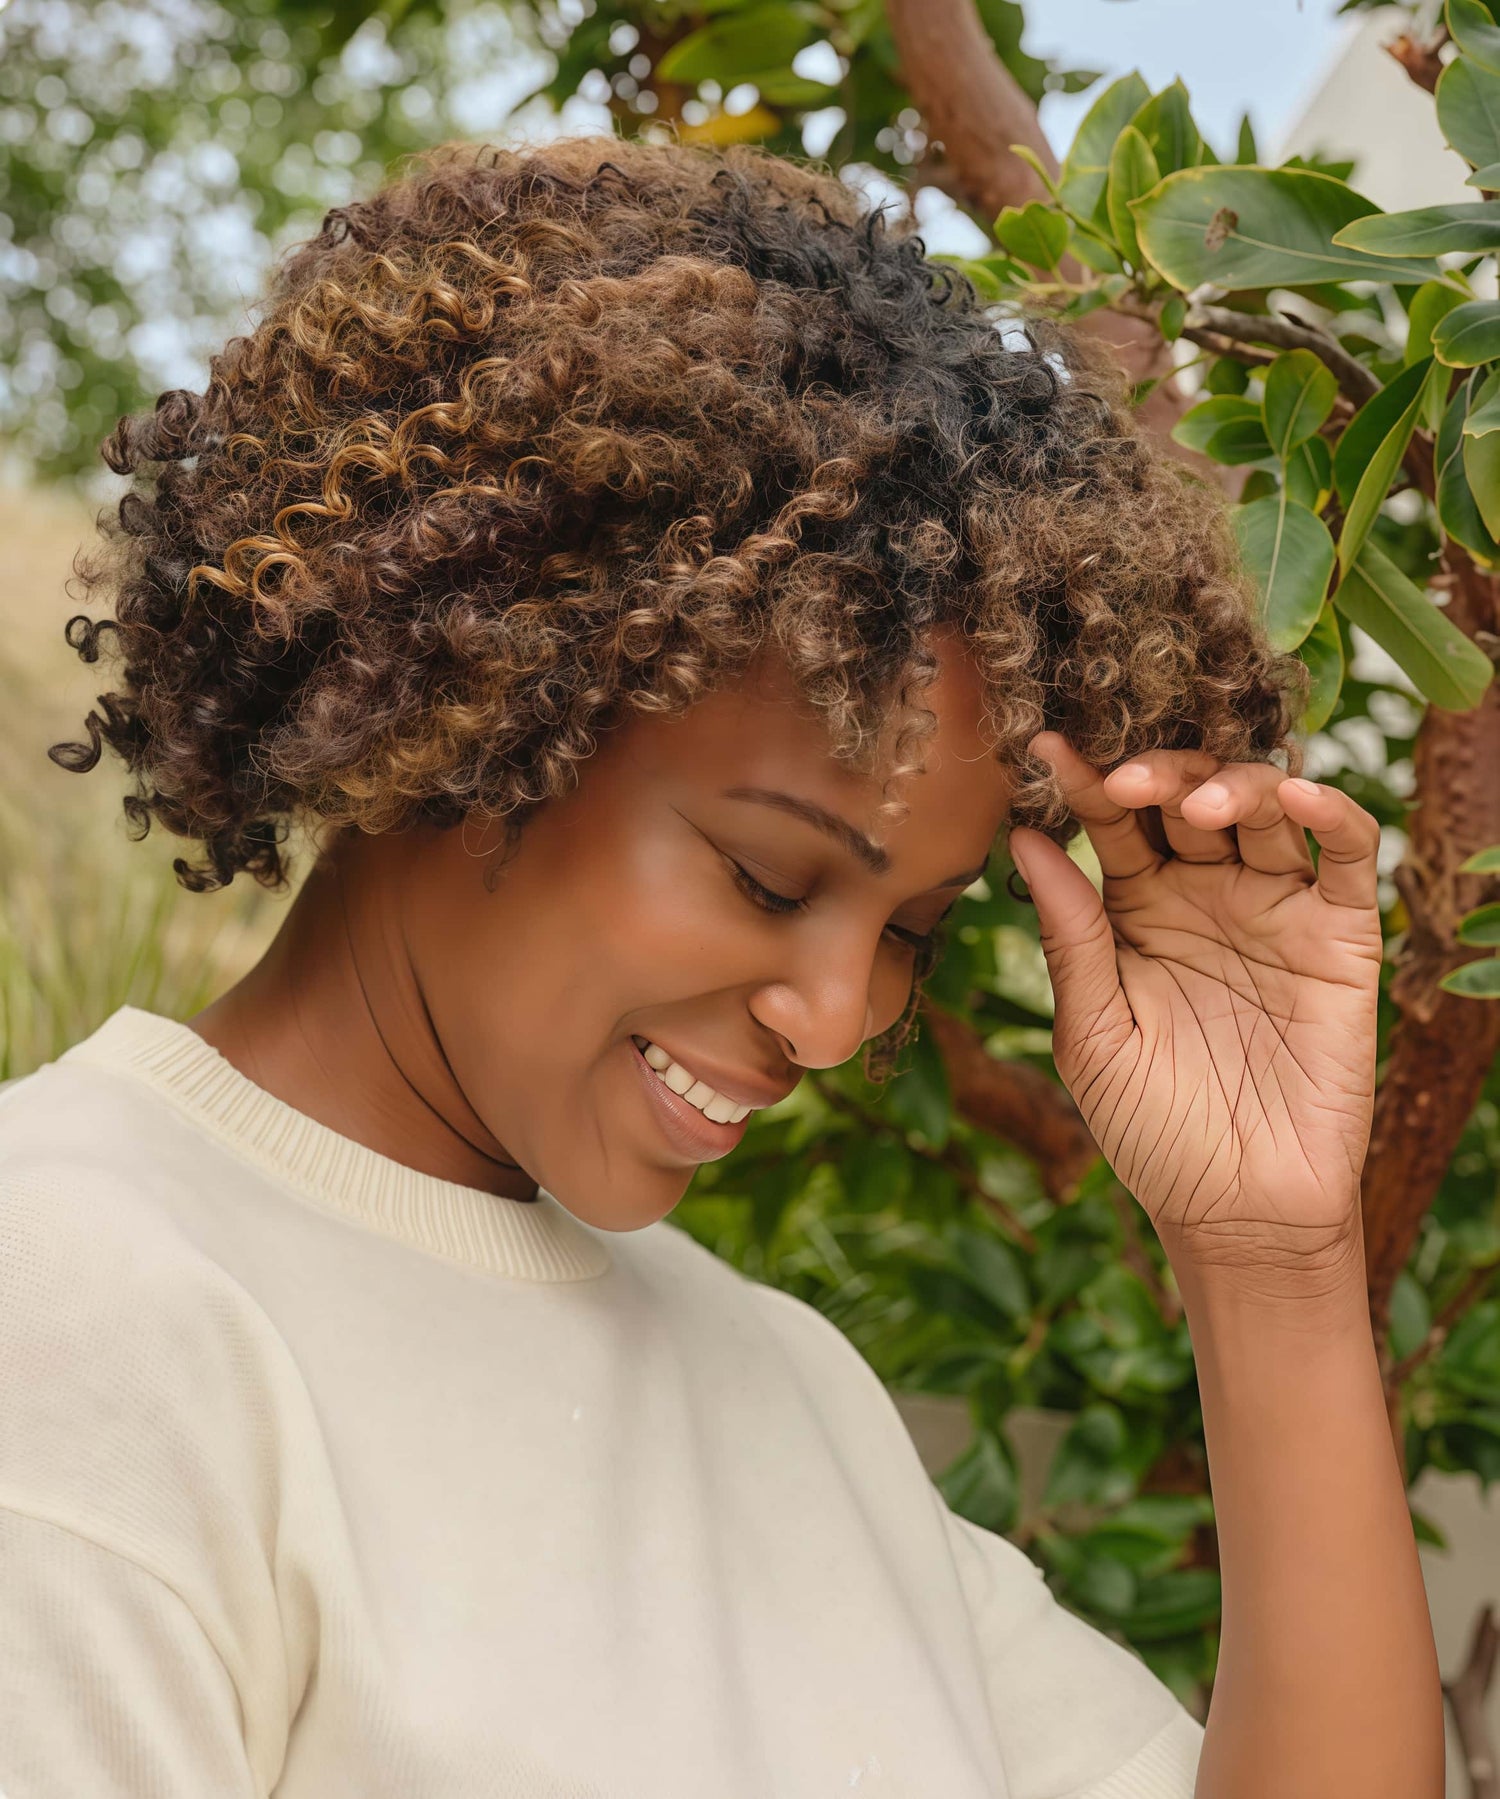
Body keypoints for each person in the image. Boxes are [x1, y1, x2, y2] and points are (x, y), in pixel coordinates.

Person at [0, 135, 1442, 1798]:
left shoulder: (789, 1389)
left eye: (910, 930)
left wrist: (1271, 1263)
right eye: (767, 877)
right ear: (473, 699)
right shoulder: (76, 1303)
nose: (834, 1020)